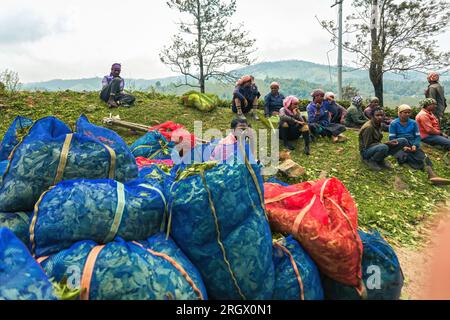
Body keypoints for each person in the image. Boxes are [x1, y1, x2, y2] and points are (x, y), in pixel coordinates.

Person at [389, 104, 450, 185]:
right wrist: (403, 147)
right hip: (399, 144)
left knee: (423, 157)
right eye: (405, 112)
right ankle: (423, 172)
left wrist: (415, 145)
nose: (407, 114)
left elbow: (417, 137)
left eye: (409, 112)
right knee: (405, 156)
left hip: (411, 143)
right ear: (399, 113)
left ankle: (432, 176)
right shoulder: (394, 123)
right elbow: (392, 139)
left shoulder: (413, 123)